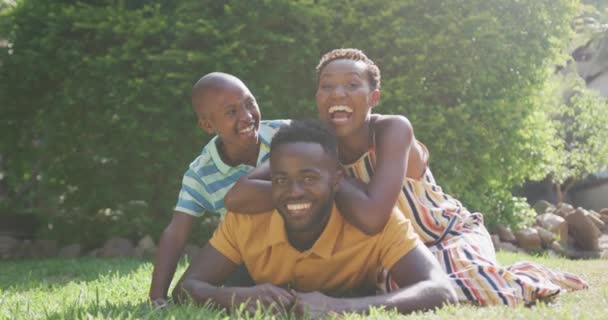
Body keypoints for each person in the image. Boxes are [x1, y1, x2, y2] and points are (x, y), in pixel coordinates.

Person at [226, 49, 589, 306]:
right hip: (395, 251)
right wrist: (302, 186)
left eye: (352, 85)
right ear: (318, 96)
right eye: (327, 85)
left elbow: (372, 217)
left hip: (446, 234)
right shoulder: (315, 145)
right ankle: (493, 272)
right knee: (400, 292)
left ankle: (529, 277)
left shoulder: (392, 131)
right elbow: (237, 196)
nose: (338, 93)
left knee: (466, 286)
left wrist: (333, 181)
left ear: (374, 97)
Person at [172, 120, 457, 317]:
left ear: (336, 181)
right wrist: (235, 297)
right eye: (282, 179)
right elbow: (186, 288)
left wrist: (341, 309)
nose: (294, 192)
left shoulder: (377, 223)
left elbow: (440, 290)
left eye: (309, 178)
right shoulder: (246, 220)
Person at [149, 72, 289, 305]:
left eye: (249, 103)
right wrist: (157, 297)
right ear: (208, 125)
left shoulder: (284, 134)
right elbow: (176, 233)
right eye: (231, 112)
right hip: (250, 258)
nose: (246, 116)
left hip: (300, 241)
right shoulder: (201, 173)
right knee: (222, 284)